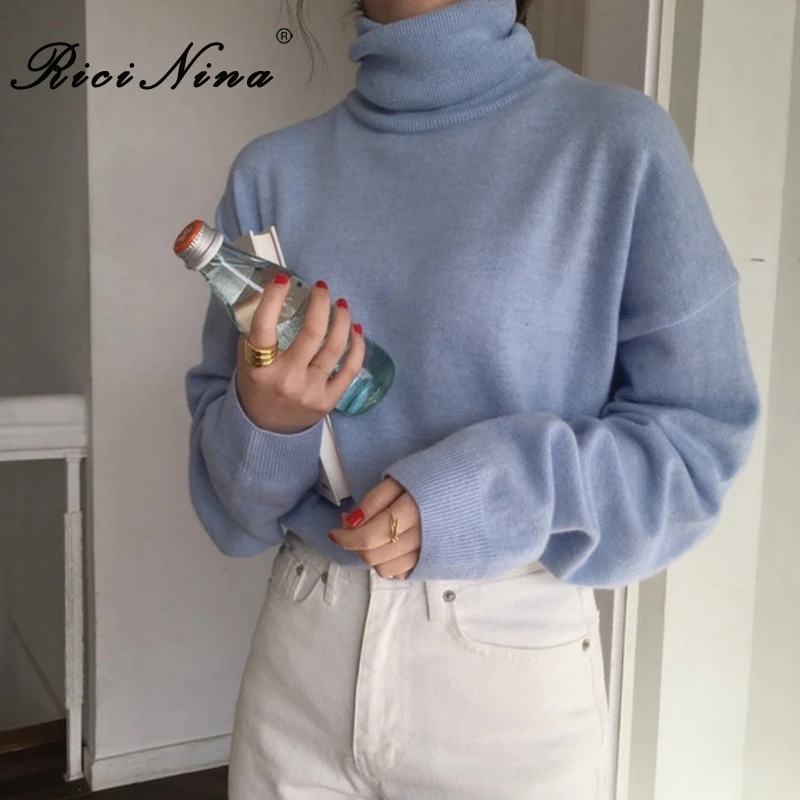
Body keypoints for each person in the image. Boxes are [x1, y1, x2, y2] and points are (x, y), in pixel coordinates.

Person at [184, 0, 761, 797]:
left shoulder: (616, 145)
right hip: (301, 664)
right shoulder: (270, 175)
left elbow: (696, 451)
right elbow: (235, 513)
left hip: (506, 680)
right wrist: (268, 423)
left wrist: (493, 489)